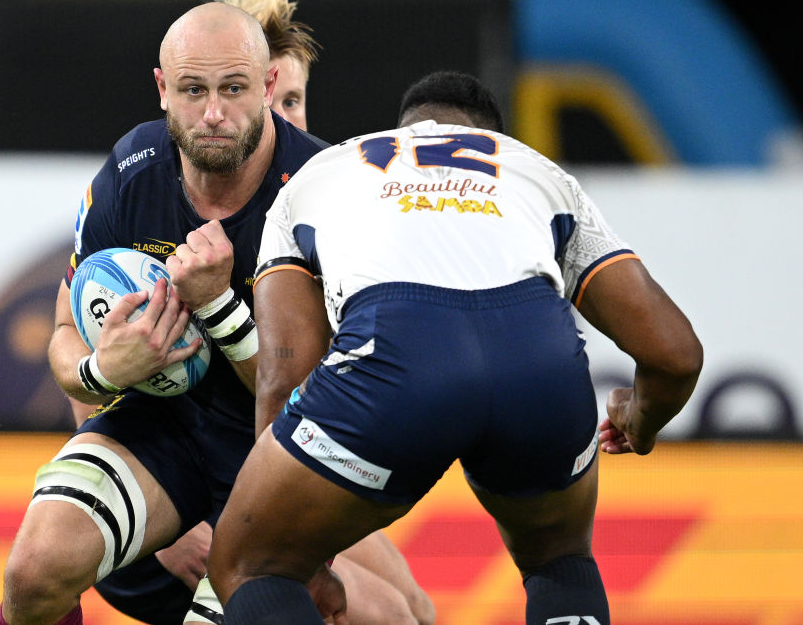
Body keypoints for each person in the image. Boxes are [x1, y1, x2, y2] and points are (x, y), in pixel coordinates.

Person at [208, 71, 704, 624]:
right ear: (494, 138)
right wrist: (640, 419)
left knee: (252, 566)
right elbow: (675, 355)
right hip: (537, 362)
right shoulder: (535, 171)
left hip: (396, 366)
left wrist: (301, 547)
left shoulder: (317, 175)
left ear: (404, 129)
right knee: (560, 562)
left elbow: (282, 376)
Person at [78, 0, 431, 625]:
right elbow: (88, 333)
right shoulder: (144, 181)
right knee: (381, 614)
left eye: (294, 102)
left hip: (275, 457)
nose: (283, 123)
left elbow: (317, 391)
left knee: (416, 606)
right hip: (182, 469)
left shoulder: (320, 193)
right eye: (273, 100)